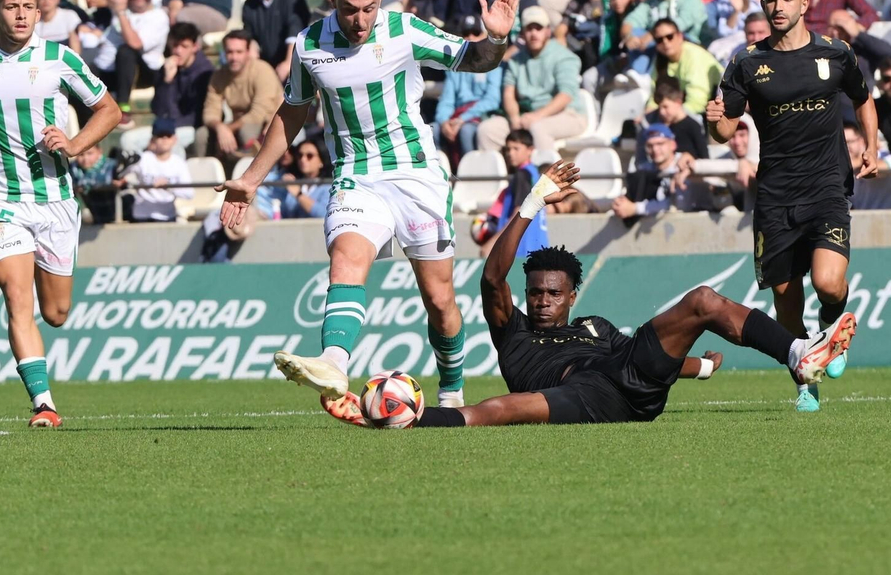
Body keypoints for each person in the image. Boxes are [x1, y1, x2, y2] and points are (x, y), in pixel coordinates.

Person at [218, 0, 516, 419]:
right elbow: (294, 110)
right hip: (356, 175)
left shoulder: (404, 30)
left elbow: (474, 60)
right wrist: (251, 179)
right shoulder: (309, 44)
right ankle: (334, 365)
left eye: (369, 8)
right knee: (346, 258)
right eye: (351, 9)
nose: (360, 20)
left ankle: (453, 391)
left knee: (439, 301)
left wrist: (495, 37)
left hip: (416, 174)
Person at [350, 161, 855, 428]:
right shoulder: (515, 330)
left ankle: (796, 353)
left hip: (631, 380)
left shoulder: (594, 326)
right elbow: (490, 280)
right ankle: (415, 419)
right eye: (535, 293)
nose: (542, 301)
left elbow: (643, 358)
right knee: (502, 410)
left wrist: (699, 367)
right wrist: (530, 202)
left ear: (572, 296)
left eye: (552, 293)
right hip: (581, 396)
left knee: (702, 300)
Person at [0, 0, 121, 427]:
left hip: (56, 200)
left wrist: (76, 143)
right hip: (1, 199)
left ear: (38, 12)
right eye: (11, 7)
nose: (21, 14)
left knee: (56, 313)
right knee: (15, 293)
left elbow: (110, 110)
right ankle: (44, 403)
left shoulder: (60, 58)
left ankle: (43, 380)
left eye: (28, 7)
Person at [707, 0, 875, 413]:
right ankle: (806, 382)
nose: (777, 6)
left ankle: (831, 326)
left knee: (828, 282)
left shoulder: (835, 54)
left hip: (826, 186)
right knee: (786, 302)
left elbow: (863, 98)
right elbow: (726, 129)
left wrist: (872, 148)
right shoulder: (746, 62)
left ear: (804, 3)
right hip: (776, 196)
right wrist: (715, 123)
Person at [476, 6, 588, 157]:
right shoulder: (515, 60)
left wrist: (537, 116)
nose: (534, 33)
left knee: (538, 128)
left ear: (548, 31)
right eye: (529, 29)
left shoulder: (564, 57)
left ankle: (546, 178)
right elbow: (508, 93)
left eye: (539, 28)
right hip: (527, 116)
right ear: (523, 33)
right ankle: (498, 179)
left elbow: (565, 95)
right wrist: (514, 118)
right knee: (487, 130)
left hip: (570, 114)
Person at [200, 31, 281, 164]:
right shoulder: (219, 76)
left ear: (248, 52)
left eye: (239, 52)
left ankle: (254, 177)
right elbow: (210, 112)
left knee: (247, 131)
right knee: (202, 135)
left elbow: (258, 113)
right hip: (237, 125)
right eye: (230, 52)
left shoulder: (262, 70)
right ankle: (205, 179)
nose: (234, 57)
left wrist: (228, 129)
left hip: (268, 125)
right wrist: (220, 127)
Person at [611, 122, 717, 221]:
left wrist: (635, 208)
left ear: (673, 144)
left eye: (660, 144)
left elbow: (681, 205)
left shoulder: (683, 164)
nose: (655, 150)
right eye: (650, 146)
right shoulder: (646, 169)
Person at [433, 16, 503, 163]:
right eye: (466, 33)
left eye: (476, 33)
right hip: (458, 116)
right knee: (433, 129)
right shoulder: (455, 66)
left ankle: (470, 177)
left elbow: (492, 100)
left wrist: (462, 119)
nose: (470, 37)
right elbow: (447, 99)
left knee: (466, 131)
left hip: (482, 116)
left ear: (485, 36)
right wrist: (444, 121)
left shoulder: (494, 64)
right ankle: (441, 174)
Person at [474, 128, 548, 255]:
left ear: (530, 150)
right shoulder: (535, 175)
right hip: (538, 247)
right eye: (508, 149)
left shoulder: (522, 175)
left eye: (516, 148)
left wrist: (493, 242)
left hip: (522, 248)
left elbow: (520, 213)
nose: (510, 153)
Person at [242, 0, 311, 76]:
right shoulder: (249, 5)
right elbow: (251, 38)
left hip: (298, 64)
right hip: (267, 67)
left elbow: (296, 33)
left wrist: (288, 63)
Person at [127, 117, 193, 222]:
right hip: (141, 217)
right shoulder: (142, 159)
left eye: (168, 135)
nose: (165, 139)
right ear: (153, 139)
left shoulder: (179, 163)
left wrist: (168, 187)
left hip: (167, 216)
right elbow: (124, 173)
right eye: (160, 136)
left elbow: (189, 193)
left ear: (174, 139)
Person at [649, 19, 722, 113]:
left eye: (669, 37)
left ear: (680, 36)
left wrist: (673, 115)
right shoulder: (660, 60)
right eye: (659, 40)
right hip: (681, 108)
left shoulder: (694, 56)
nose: (665, 42)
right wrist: (650, 112)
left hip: (712, 108)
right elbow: (655, 95)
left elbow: (698, 102)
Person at [154, 24, 214, 135]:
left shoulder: (205, 73)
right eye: (175, 45)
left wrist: (170, 126)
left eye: (184, 46)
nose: (178, 51)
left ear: (195, 47)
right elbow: (158, 109)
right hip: (167, 128)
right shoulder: (166, 69)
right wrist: (167, 82)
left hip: (192, 128)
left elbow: (197, 114)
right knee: (129, 140)